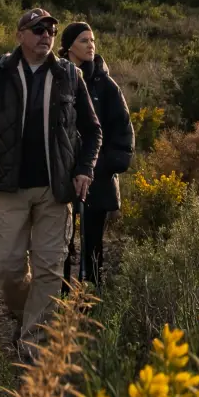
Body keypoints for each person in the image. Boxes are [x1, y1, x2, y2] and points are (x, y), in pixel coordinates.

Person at [0, 8, 102, 353]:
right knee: (7, 265)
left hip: (56, 190)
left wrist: (85, 169)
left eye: (51, 29)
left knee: (49, 267)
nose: (46, 35)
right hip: (10, 187)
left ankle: (32, 343)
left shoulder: (69, 75)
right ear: (20, 35)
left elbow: (93, 130)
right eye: (38, 29)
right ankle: (27, 315)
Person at [58, 22, 134, 286]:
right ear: (68, 47)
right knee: (60, 244)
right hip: (60, 177)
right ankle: (60, 302)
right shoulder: (56, 77)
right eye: (83, 40)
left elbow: (123, 135)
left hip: (97, 178)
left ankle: (90, 303)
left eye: (92, 40)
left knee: (92, 246)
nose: (91, 45)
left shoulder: (107, 86)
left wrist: (98, 166)